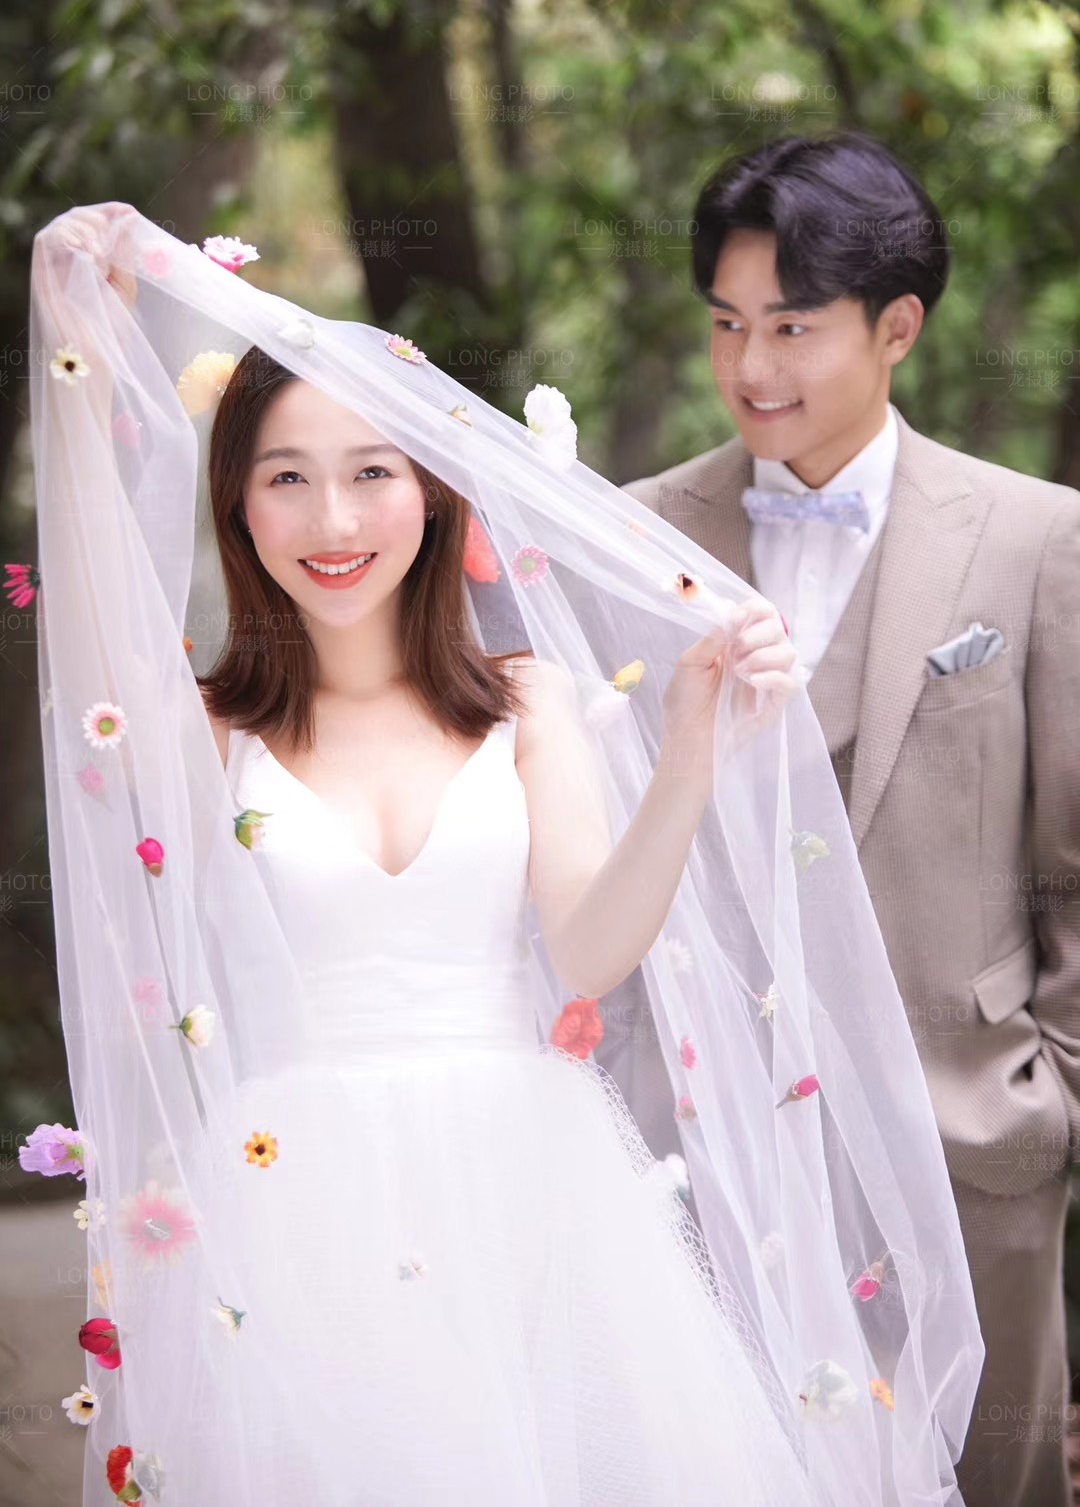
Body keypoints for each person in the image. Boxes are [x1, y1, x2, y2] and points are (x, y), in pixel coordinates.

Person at [26, 202, 983, 1505]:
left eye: (372, 471)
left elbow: (586, 952)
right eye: (286, 477)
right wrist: (80, 362)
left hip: (528, 1182)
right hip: (298, 1200)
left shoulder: (523, 700)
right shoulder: (212, 730)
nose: (334, 517)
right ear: (236, 505)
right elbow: (91, 617)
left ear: (431, 488)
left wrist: (691, 750)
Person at [620, 130, 1080, 1507]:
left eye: (792, 327)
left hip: (969, 1137)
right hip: (701, 1147)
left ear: (897, 328)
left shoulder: (1037, 540)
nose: (751, 366)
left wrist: (1050, 1095)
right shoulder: (634, 536)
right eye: (727, 323)